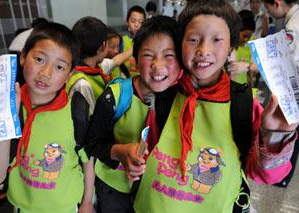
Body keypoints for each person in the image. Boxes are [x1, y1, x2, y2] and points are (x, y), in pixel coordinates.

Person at [126, 1, 297, 212]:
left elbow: (267, 175)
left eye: (217, 39)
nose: (203, 50)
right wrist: (134, 160)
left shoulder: (243, 105)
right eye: (193, 39)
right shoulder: (166, 95)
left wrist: (275, 134)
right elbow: (148, 146)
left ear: (231, 47)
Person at [0, 22, 94, 212]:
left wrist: (87, 202)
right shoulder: (11, 103)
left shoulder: (77, 108)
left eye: (59, 67)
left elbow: (87, 159)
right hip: (23, 205)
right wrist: (4, 114)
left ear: (70, 74)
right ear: (24, 56)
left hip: (66, 206)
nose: (46, 73)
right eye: (40, 59)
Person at [85, 15, 182, 213]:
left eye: (169, 55)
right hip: (115, 188)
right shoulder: (115, 96)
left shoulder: (185, 101)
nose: (158, 64)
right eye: (148, 55)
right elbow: (93, 144)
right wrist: (119, 151)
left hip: (160, 190)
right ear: (135, 60)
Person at [263, 0, 299, 187]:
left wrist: (252, 66)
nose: (266, 10)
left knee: (290, 131)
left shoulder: (293, 27)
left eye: (266, 6)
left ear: (276, 3)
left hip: (295, 90)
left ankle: (282, 176)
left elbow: (286, 63)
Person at [66, 16, 109, 115]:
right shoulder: (82, 84)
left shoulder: (91, 69)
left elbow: (115, 61)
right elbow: (91, 124)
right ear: (102, 46)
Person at [227, 10, 258, 86]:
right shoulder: (229, 44)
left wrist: (251, 87)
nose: (246, 40)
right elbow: (232, 73)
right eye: (244, 36)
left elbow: (251, 71)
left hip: (242, 86)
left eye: (249, 37)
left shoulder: (251, 42)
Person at [122, 5, 146, 76]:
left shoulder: (147, 42)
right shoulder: (122, 42)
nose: (136, 25)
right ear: (127, 22)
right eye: (133, 21)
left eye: (141, 22)